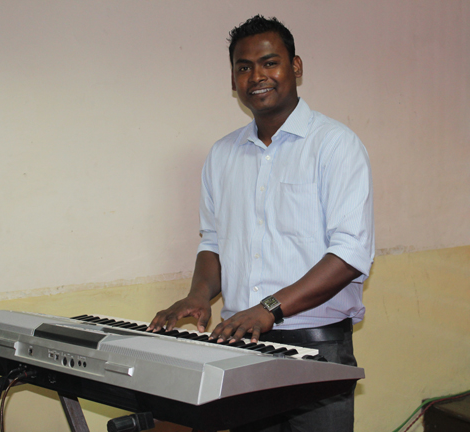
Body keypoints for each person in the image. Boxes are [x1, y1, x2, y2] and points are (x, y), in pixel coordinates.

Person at [148, 15, 374, 432]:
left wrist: (269, 308)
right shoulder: (222, 155)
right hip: (243, 347)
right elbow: (214, 242)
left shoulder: (335, 145)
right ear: (233, 79)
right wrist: (198, 295)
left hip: (318, 350)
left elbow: (349, 254)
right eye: (244, 67)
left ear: (296, 67)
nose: (257, 76)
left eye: (270, 63)